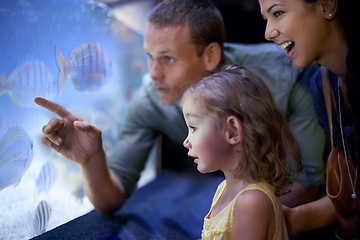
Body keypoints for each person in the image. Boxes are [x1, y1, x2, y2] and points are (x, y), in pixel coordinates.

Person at [35, 0, 325, 216]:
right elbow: (112, 197)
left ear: (211, 55)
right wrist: (90, 160)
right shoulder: (151, 98)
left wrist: (237, 220)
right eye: (149, 56)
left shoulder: (288, 76)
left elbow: (307, 184)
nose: (154, 73)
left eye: (168, 59)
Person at [259, 0, 360, 238]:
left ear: (326, 6)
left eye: (278, 13)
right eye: (266, 19)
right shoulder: (322, 86)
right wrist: (291, 219)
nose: (268, 33)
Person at [182, 64, 302, 239]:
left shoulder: (251, 201)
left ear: (232, 131)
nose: (186, 141)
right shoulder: (223, 189)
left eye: (193, 128)